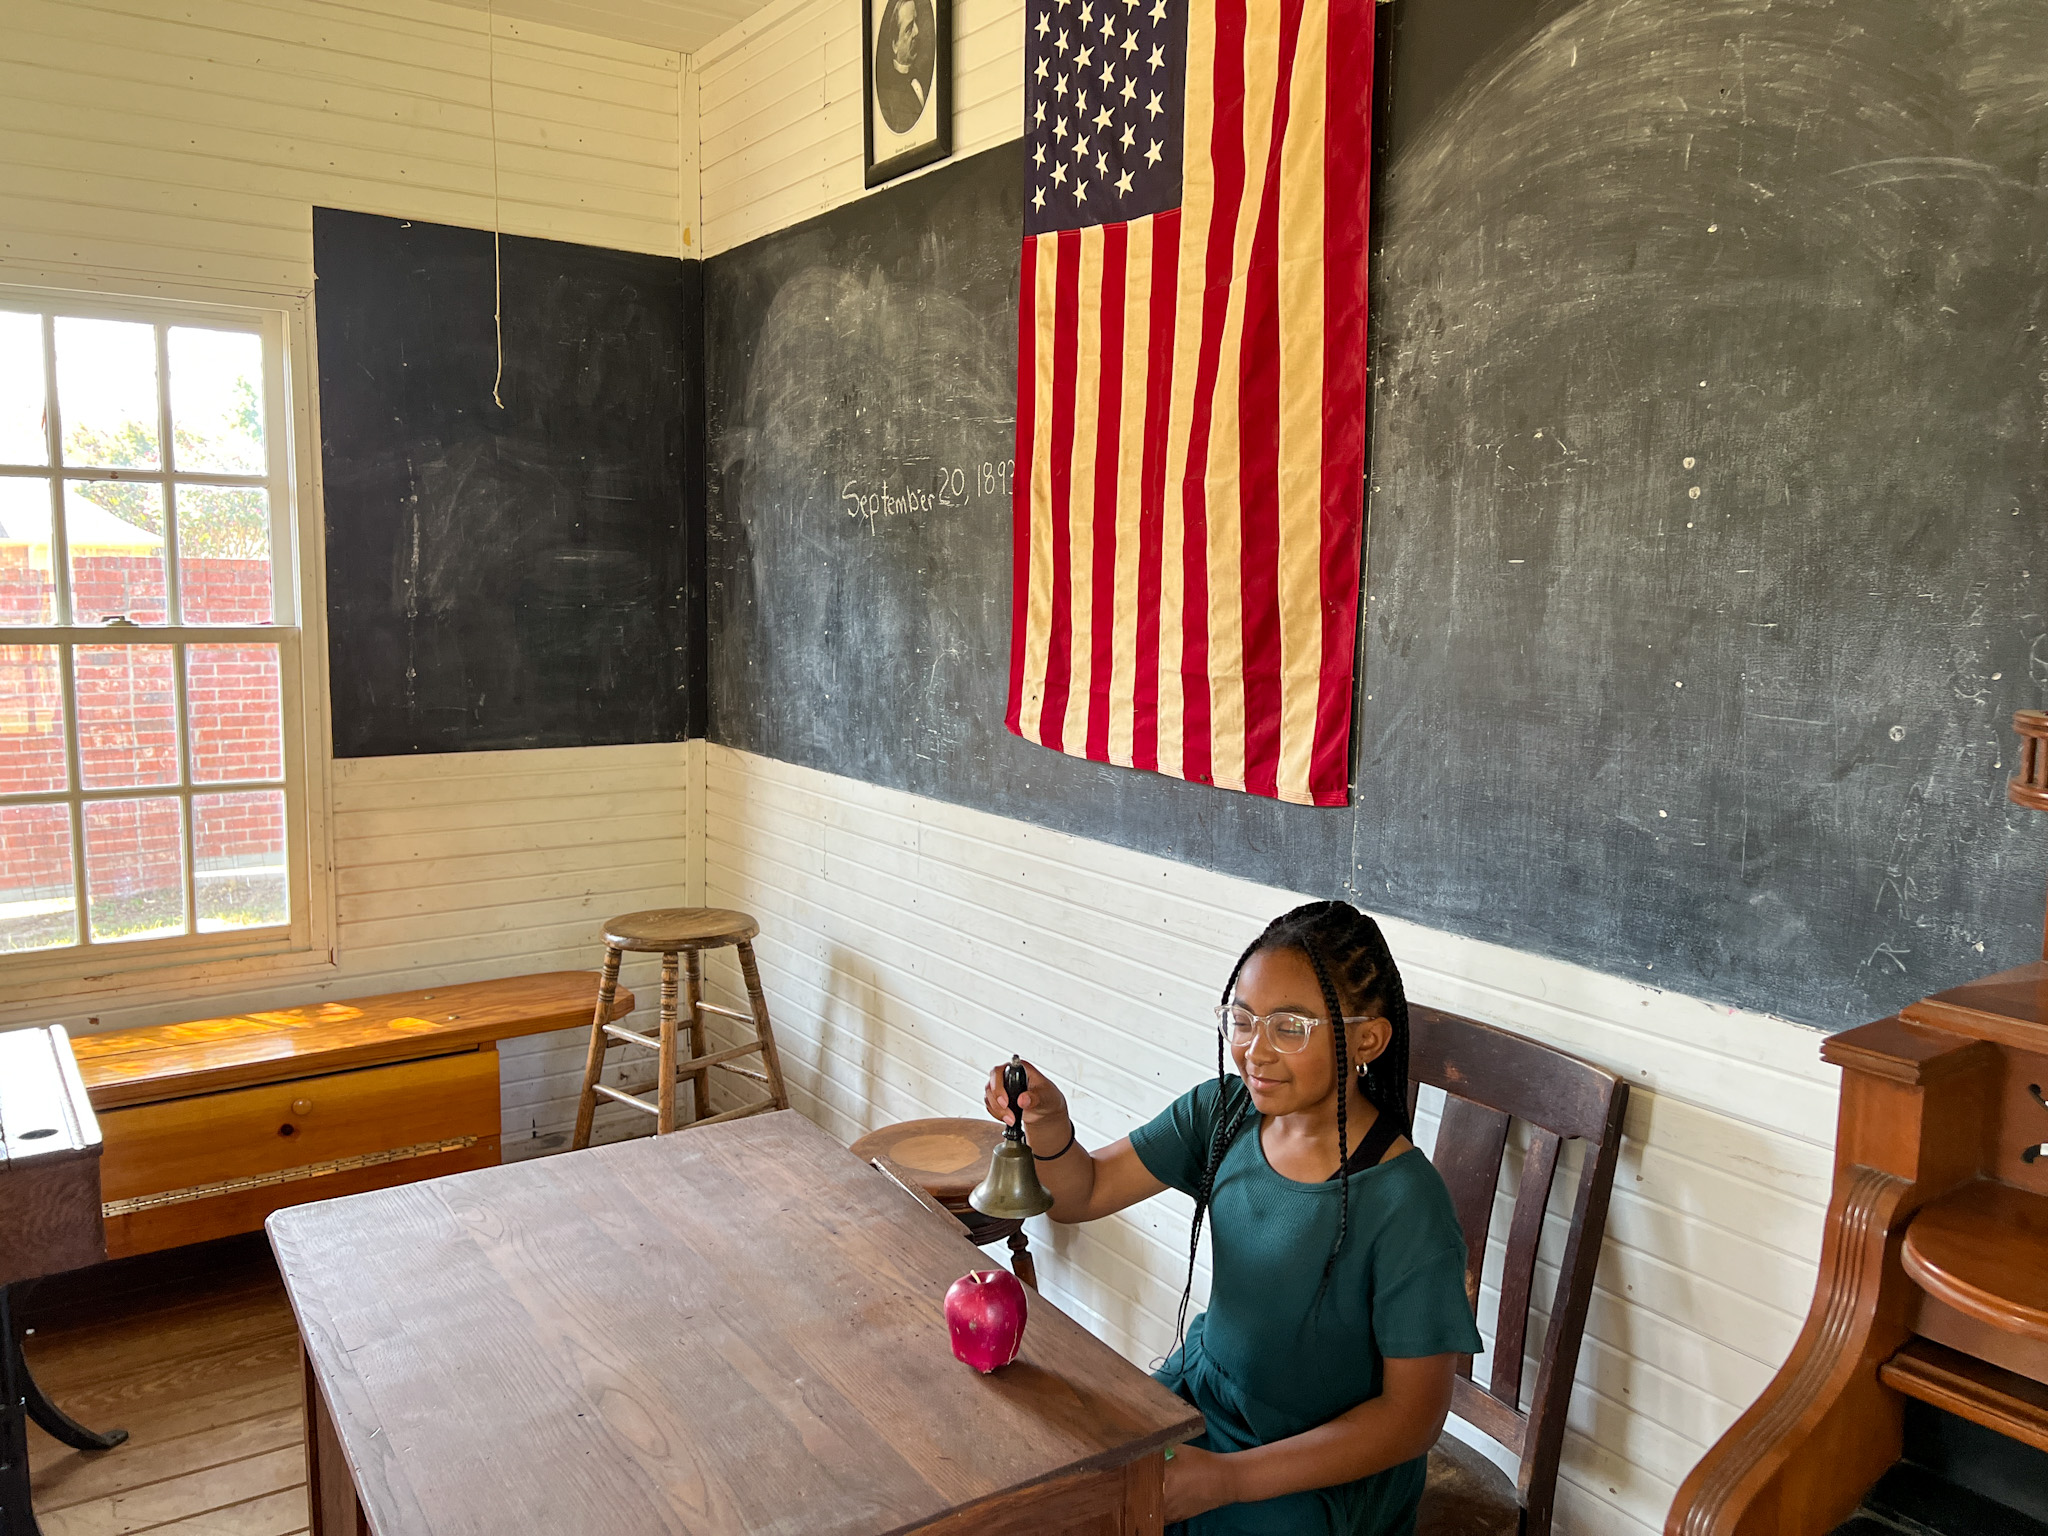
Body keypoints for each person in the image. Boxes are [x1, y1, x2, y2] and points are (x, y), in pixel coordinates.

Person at [982, 900, 1482, 1535]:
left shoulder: (1404, 1202)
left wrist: (1225, 1480)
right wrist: (1050, 1126)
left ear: (1367, 1039)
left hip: (1316, 1467)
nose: (1255, 1051)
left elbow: (1412, 1418)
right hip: (1203, 1396)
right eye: (1242, 1020)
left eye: (1291, 1027)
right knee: (1063, 1496)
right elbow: (1084, 1192)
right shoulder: (1223, 1116)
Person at [873, 0, 934, 134]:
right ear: (895, 44)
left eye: (916, 22)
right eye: (909, 28)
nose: (917, 32)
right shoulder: (887, 98)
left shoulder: (927, 77)